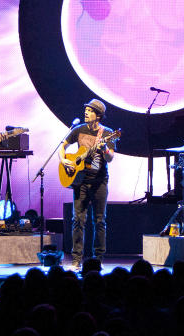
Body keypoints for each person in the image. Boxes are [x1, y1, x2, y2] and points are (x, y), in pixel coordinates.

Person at [60, 98, 116, 271]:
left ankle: (97, 260)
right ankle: (76, 260)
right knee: (78, 220)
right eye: (86, 109)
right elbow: (63, 145)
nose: (86, 112)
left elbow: (110, 158)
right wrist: (64, 160)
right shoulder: (78, 129)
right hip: (80, 181)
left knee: (99, 221)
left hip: (99, 181)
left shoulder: (107, 133)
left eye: (90, 111)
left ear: (98, 116)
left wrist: (104, 149)